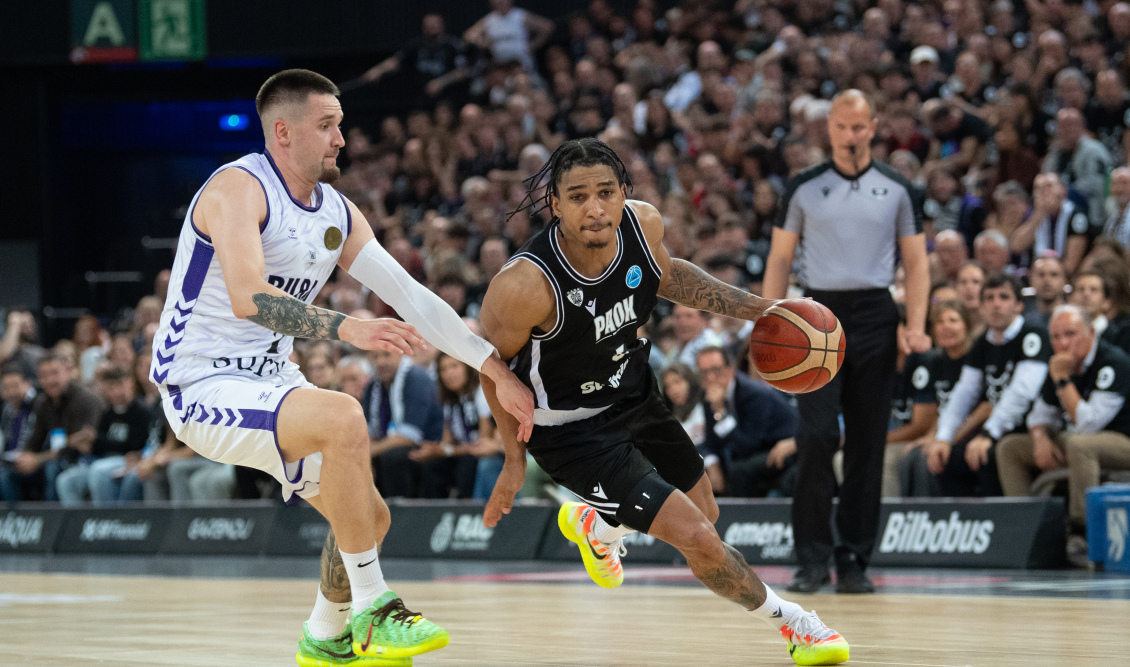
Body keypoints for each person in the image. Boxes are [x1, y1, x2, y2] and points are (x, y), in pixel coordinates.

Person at [148, 70, 533, 665]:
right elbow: (249, 297)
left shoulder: (339, 213)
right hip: (201, 383)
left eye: (341, 124)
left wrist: (493, 368)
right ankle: (374, 609)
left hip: (272, 379)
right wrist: (348, 327)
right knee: (343, 416)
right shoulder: (238, 188)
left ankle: (324, 635)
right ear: (283, 131)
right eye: (327, 125)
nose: (341, 139)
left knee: (368, 518)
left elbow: (412, 297)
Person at [477, 137, 850, 665]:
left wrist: (761, 309)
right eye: (578, 196)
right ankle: (796, 624)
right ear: (555, 204)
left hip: (635, 393)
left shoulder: (642, 224)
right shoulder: (524, 285)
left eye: (606, 192)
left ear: (622, 192)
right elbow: (490, 368)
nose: (595, 207)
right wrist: (513, 462)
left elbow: (669, 276)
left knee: (706, 511)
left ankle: (598, 527)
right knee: (698, 537)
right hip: (572, 431)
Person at [763, 90, 931, 595]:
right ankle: (812, 559)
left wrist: (915, 323)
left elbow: (916, 262)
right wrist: (768, 320)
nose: (850, 136)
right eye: (842, 127)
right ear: (829, 129)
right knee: (816, 436)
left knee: (867, 442)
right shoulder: (803, 187)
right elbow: (779, 259)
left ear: (873, 127)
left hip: (876, 314)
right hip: (817, 315)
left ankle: (854, 557)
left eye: (859, 127)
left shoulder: (899, 189)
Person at [996, 305, 1130, 564]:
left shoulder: (1113, 363)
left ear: (1091, 333)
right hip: (1077, 441)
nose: (1063, 343)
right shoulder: (1058, 363)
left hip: (1121, 440)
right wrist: (1040, 438)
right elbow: (1039, 415)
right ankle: (1026, 530)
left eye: (1070, 334)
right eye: (1056, 337)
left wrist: (1062, 380)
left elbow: (1089, 424)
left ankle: (1081, 531)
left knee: (1080, 444)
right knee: (1010, 447)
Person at [924, 274, 1051, 496]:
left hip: (1028, 427)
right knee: (948, 457)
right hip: (995, 428)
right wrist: (943, 437)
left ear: (1019, 305)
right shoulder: (983, 342)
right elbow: (964, 392)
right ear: (981, 307)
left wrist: (989, 434)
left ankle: (1000, 517)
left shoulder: (1033, 335)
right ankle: (960, 517)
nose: (996, 304)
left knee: (985, 455)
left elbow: (1022, 392)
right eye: (989, 298)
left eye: (1004, 297)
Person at [696, 346, 798, 498]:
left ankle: (739, 513)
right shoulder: (708, 395)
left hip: (782, 449)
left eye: (716, 370)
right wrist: (712, 464)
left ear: (730, 369)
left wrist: (720, 412)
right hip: (752, 449)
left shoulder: (754, 394)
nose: (710, 378)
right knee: (700, 467)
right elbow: (710, 441)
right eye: (704, 373)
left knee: (739, 470)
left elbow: (748, 445)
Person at [410, 351, 502, 500]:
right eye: (443, 369)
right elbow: (447, 443)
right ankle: (432, 510)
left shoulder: (481, 393)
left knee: (467, 464)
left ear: (467, 367)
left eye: (454, 366)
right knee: (431, 465)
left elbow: (481, 445)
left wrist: (445, 451)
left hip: (485, 454)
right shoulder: (449, 400)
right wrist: (434, 450)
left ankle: (467, 510)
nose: (449, 373)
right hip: (463, 453)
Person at [11, 354, 103, 502]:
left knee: (53, 468)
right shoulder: (42, 403)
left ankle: (54, 517)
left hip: (85, 460)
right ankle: (16, 516)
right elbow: (35, 439)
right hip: (52, 458)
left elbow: (78, 445)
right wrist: (26, 456)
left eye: (54, 373)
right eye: (44, 375)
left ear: (68, 371)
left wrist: (38, 459)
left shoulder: (87, 400)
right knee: (8, 473)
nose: (50, 380)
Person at [55, 365, 150, 505]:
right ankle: (77, 518)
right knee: (66, 480)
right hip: (104, 459)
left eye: (117, 386)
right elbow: (99, 446)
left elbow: (135, 444)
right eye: (109, 388)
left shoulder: (141, 411)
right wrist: (87, 445)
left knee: (98, 471)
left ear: (128, 383)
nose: (114, 393)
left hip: (127, 460)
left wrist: (97, 439)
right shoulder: (107, 414)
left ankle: (105, 516)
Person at [0, 365, 41, 502]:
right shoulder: (7, 409)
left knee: (5, 476)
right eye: (6, 388)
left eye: (15, 386)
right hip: (10, 460)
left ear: (27, 383)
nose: (10, 392)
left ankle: (14, 514)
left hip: (36, 458)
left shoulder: (39, 403)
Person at [1023, 254, 1067, 329]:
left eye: (1054, 275)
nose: (1047, 280)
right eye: (1041, 275)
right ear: (1031, 280)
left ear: (1064, 281)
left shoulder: (1075, 318)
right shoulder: (1023, 322)